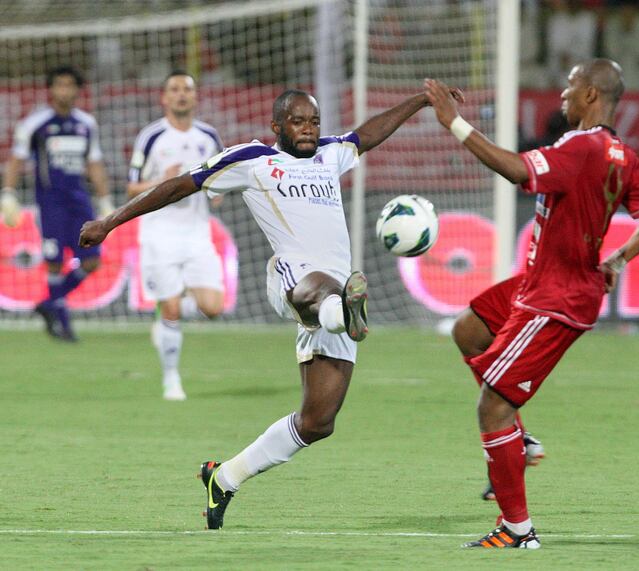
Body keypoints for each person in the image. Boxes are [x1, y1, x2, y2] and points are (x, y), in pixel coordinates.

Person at [79, 87, 463, 530]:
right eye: (298, 122)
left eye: (314, 122)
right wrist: (110, 222)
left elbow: (367, 135)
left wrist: (419, 100)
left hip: (334, 296)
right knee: (318, 286)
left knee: (318, 422)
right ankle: (343, 313)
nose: (308, 130)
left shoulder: (331, 154)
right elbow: (180, 185)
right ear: (277, 126)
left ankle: (223, 477)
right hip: (292, 279)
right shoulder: (251, 159)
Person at [424, 58, 639, 549]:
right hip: (540, 282)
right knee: (469, 330)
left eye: (569, 85)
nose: (561, 94)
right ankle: (520, 440)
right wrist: (618, 258)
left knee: (493, 407)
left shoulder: (581, 146)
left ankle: (517, 530)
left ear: (590, 96)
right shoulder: (623, 155)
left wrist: (453, 123)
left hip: (556, 298)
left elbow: (518, 169)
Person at [127, 71, 225, 401]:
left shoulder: (209, 137)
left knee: (212, 307)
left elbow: (222, 179)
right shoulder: (151, 137)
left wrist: (217, 191)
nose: (181, 94)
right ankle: (171, 379)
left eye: (187, 89)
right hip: (159, 233)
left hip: (198, 234)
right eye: (174, 89)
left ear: (195, 98)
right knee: (169, 308)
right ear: (164, 98)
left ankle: (168, 317)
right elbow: (131, 187)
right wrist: (161, 181)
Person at [1, 65, 112, 341]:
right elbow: (17, 159)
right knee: (54, 263)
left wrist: (105, 199)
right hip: (50, 204)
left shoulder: (86, 124)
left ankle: (49, 305)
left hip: (80, 204)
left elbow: (94, 163)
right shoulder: (35, 124)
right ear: (51, 89)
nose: (64, 90)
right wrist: (9, 192)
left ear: (77, 89)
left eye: (69, 85)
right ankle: (63, 325)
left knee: (92, 262)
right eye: (59, 84)